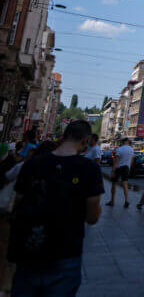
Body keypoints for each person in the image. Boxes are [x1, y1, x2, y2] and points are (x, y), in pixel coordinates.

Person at [7, 120, 103, 295]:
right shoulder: (89, 169)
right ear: (85, 141)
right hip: (66, 251)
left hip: (30, 249)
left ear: (63, 136)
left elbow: (18, 204)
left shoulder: (33, 164)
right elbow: (92, 217)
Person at [107, 138, 134, 208]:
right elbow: (131, 160)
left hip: (119, 168)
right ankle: (126, 201)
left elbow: (116, 161)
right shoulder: (131, 149)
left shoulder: (119, 149)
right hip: (126, 168)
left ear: (122, 142)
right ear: (127, 142)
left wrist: (113, 171)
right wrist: (129, 168)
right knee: (125, 184)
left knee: (114, 184)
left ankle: (112, 201)